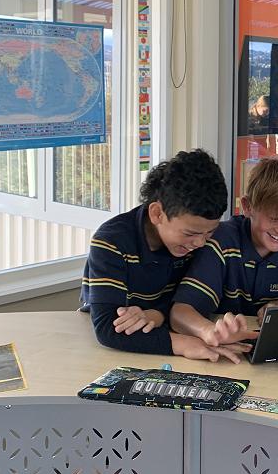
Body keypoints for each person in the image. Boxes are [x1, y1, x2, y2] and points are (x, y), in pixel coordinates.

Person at [80, 148, 241, 362]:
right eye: (190, 233)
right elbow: (108, 328)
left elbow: (193, 304)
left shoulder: (197, 242)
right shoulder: (112, 241)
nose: (201, 243)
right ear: (157, 213)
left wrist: (157, 315)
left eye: (209, 232)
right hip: (111, 351)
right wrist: (182, 344)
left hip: (163, 340)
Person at [171, 156, 278, 350]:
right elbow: (180, 313)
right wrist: (209, 331)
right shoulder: (221, 242)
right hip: (224, 352)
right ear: (248, 207)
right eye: (274, 218)